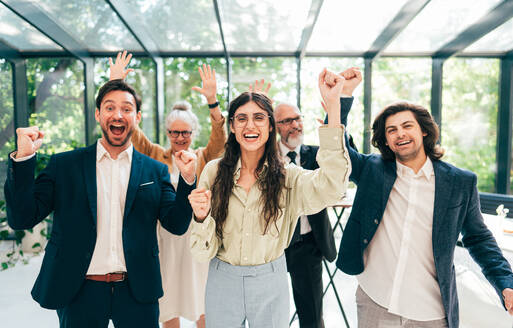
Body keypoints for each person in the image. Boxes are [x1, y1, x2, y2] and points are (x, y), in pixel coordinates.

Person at [4, 79, 197, 328]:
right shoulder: (64, 166)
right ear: (98, 114)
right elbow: (21, 217)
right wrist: (23, 158)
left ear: (137, 117)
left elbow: (177, 224)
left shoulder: (155, 171)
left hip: (137, 291)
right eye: (109, 107)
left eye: (126, 109)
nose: (118, 114)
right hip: (79, 290)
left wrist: (188, 179)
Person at [329, 69, 513, 328]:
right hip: (376, 299)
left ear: (424, 131)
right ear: (386, 140)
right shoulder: (372, 170)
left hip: (430, 309)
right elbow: (336, 149)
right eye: (391, 130)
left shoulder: (460, 182)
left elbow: (479, 239)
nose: (399, 134)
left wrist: (506, 282)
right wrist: (343, 96)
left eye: (407, 126)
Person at [187, 69, 351, 328]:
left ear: (270, 125)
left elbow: (333, 187)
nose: (250, 125)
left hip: (270, 278)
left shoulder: (289, 177)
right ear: (232, 126)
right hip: (222, 278)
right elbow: (199, 251)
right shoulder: (214, 172)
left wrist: (333, 106)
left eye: (259, 118)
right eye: (241, 118)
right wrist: (200, 216)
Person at [109, 52, 226, 328]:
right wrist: (118, 85)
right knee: (168, 295)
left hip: (196, 238)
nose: (180, 138)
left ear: (193, 133)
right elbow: (133, 131)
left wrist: (213, 102)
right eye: (174, 132)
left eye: (185, 132)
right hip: (164, 239)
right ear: (168, 133)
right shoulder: (155, 155)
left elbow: (220, 138)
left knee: (200, 294)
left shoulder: (203, 157)